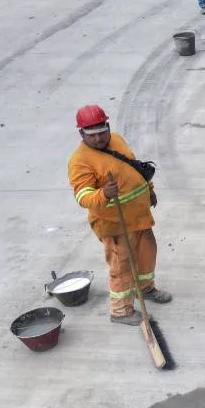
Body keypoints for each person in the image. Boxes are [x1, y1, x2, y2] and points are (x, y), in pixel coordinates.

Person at [68, 104, 172, 325]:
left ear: (108, 126)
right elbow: (82, 196)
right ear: (81, 133)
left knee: (146, 255)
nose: (99, 139)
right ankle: (121, 311)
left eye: (102, 132)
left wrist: (149, 191)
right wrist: (104, 194)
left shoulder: (116, 139)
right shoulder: (80, 160)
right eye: (92, 135)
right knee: (122, 266)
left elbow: (134, 169)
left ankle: (145, 288)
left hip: (138, 216)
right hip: (114, 223)